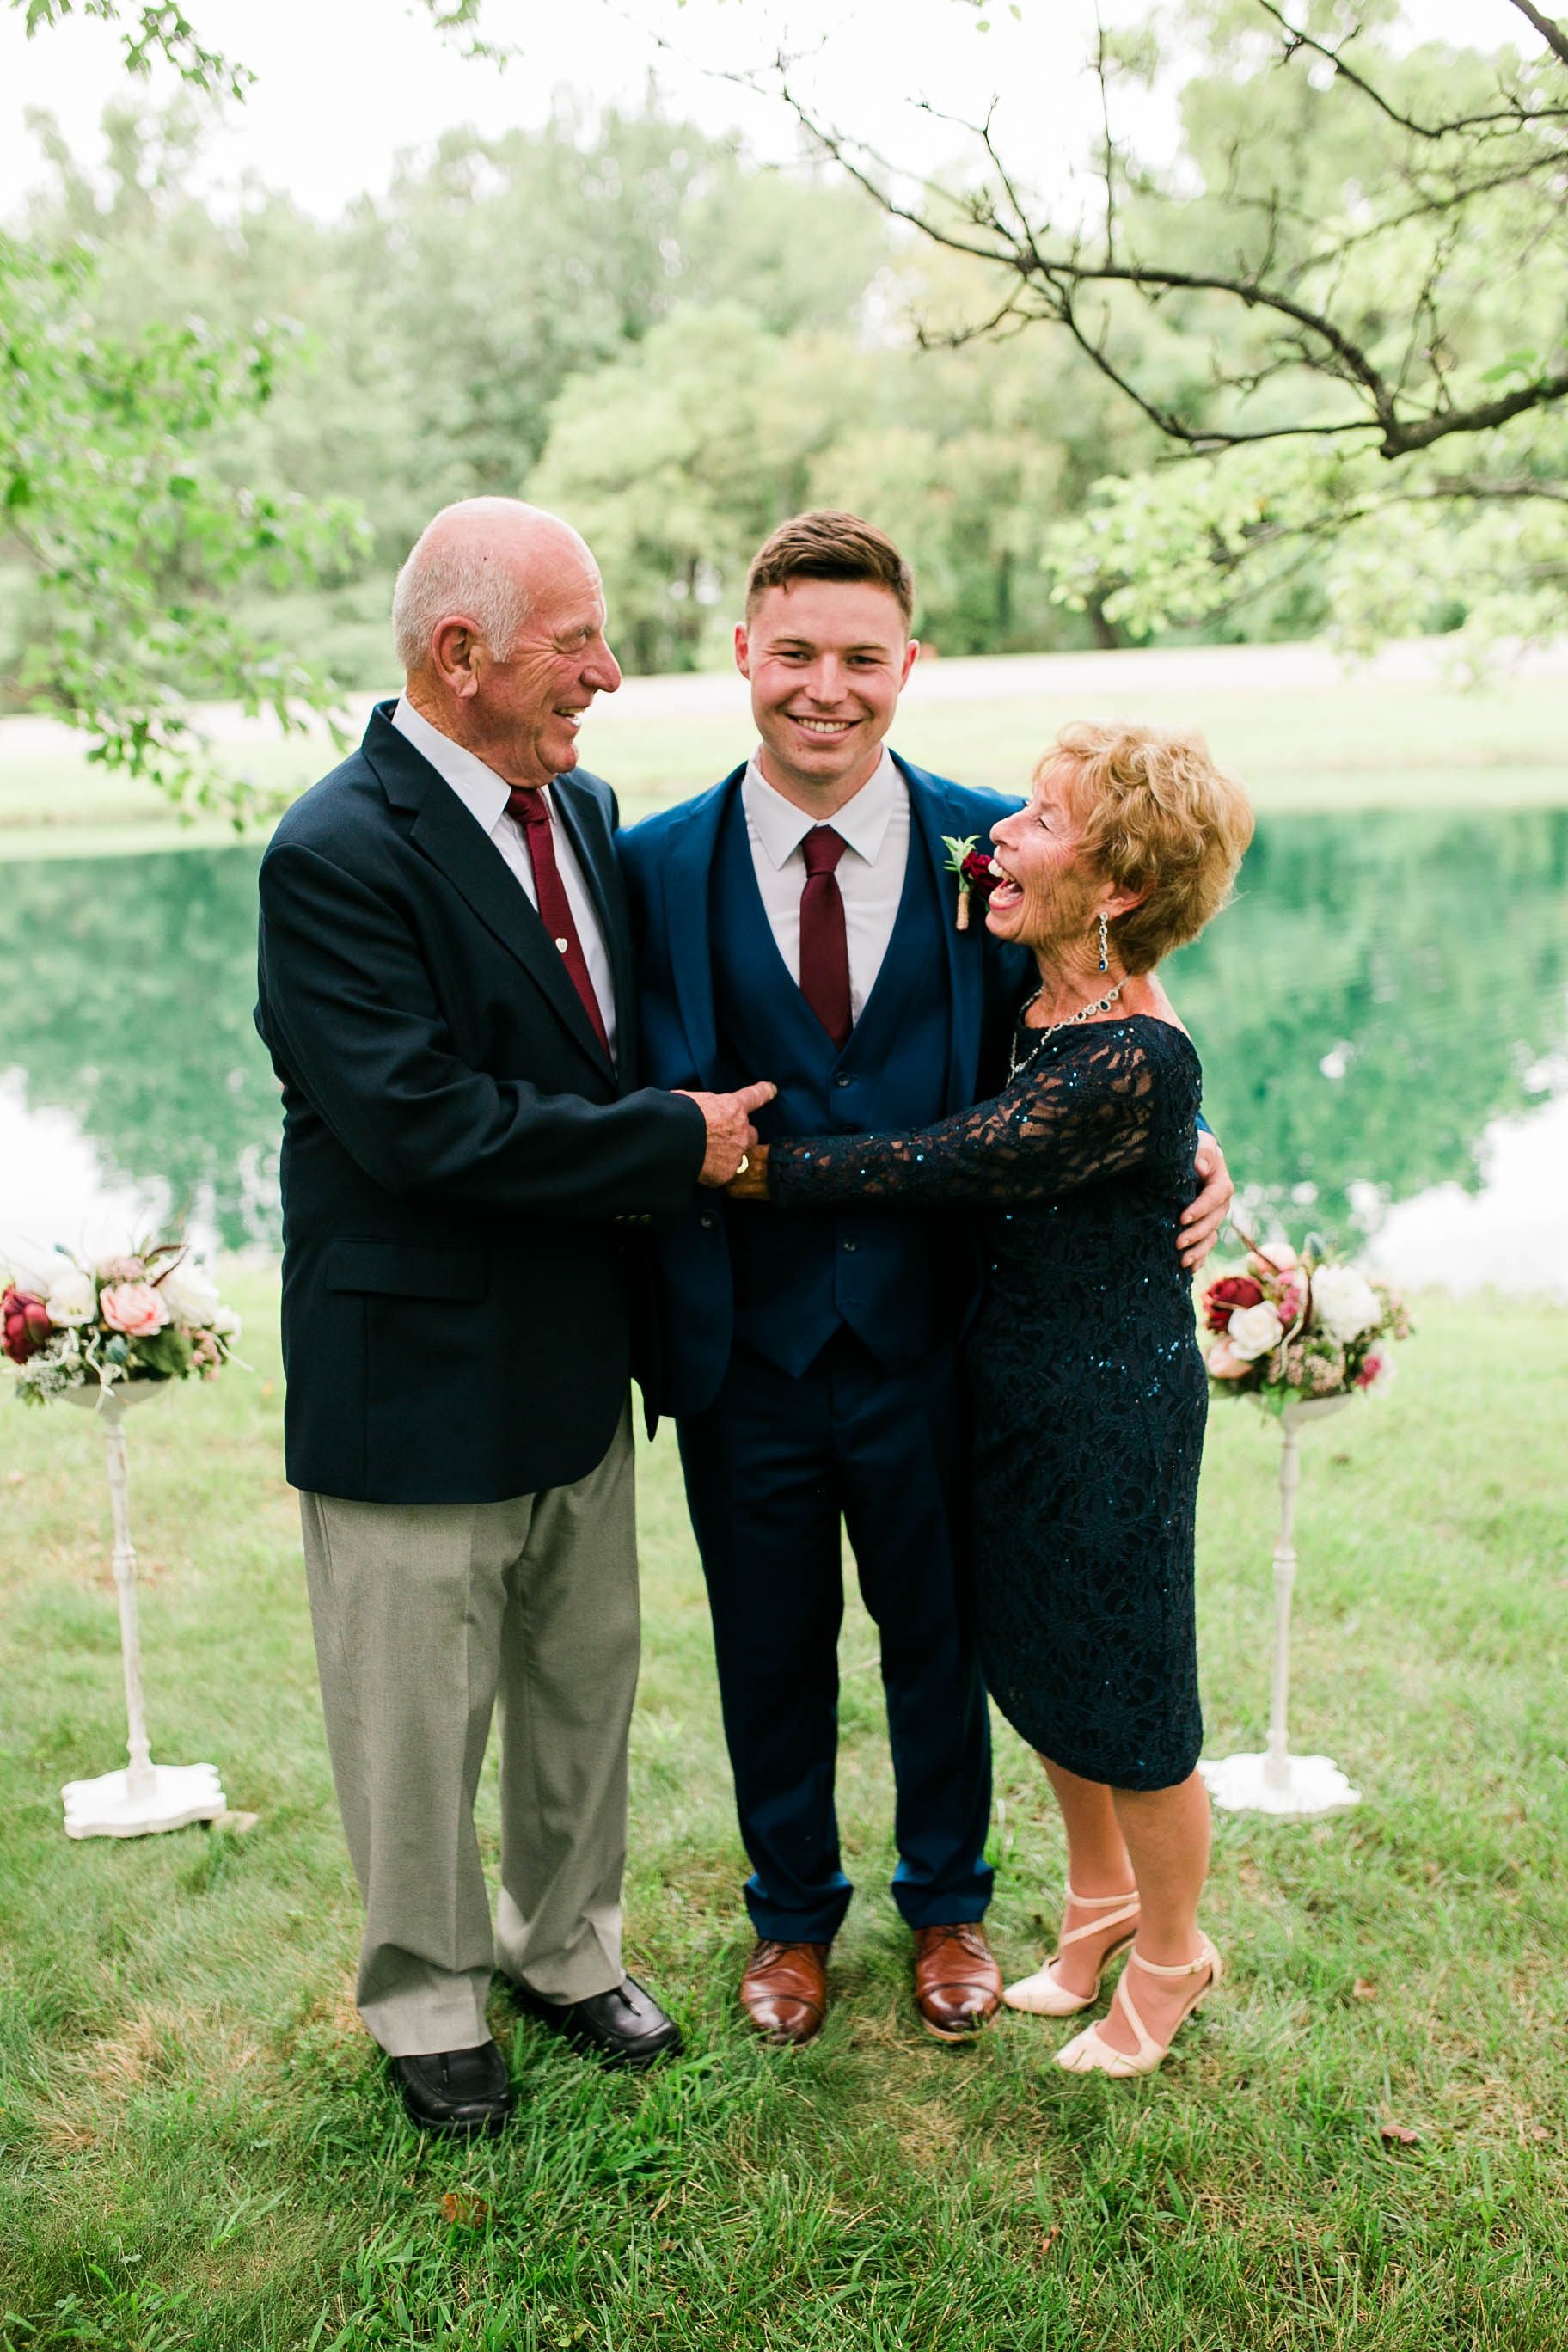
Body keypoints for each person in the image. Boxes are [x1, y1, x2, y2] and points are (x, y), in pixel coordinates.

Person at [618, 514, 1233, 2048]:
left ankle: (950, 1907)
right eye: (795, 653)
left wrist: (1198, 1142)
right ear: (743, 654)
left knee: (943, 1641)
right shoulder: (652, 865)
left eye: (862, 657)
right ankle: (789, 1921)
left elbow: (1117, 1002)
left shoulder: (995, 841)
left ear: (911, 664)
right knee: (768, 1647)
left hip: (944, 1336)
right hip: (742, 1345)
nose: (826, 688)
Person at [254, 498, 772, 2136]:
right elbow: (422, 1125)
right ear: (461, 653)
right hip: (411, 1373)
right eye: (577, 644)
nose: (608, 675)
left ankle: (568, 1951)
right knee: (416, 1724)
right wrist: (674, 1141)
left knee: (579, 1690)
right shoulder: (333, 852)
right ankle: (426, 1999)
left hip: (575, 1359)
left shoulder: (586, 807)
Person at [728, 720, 1254, 2077]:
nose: (998, 838)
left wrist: (765, 1172)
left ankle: (1172, 1958)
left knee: (1133, 1700)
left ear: (1119, 886)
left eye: (1042, 820)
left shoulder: (1135, 1058)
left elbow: (948, 1160)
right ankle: (1096, 1910)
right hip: (1007, 1389)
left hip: (1112, 1410)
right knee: (1035, 1668)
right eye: (1017, 809)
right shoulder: (1039, 987)